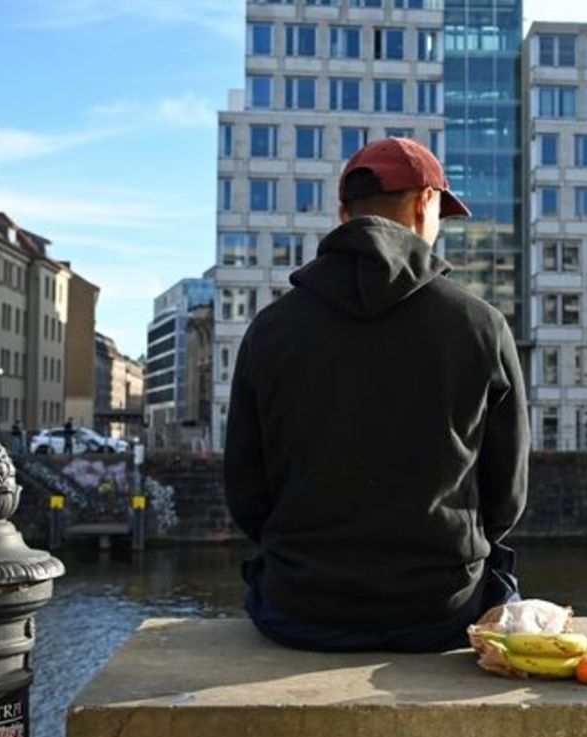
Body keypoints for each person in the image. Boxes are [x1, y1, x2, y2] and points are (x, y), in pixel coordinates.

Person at [225, 137, 530, 653]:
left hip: (300, 609)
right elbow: (507, 497)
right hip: (439, 611)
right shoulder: (481, 326)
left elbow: (246, 490)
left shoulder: (271, 329)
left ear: (344, 213)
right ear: (423, 204)